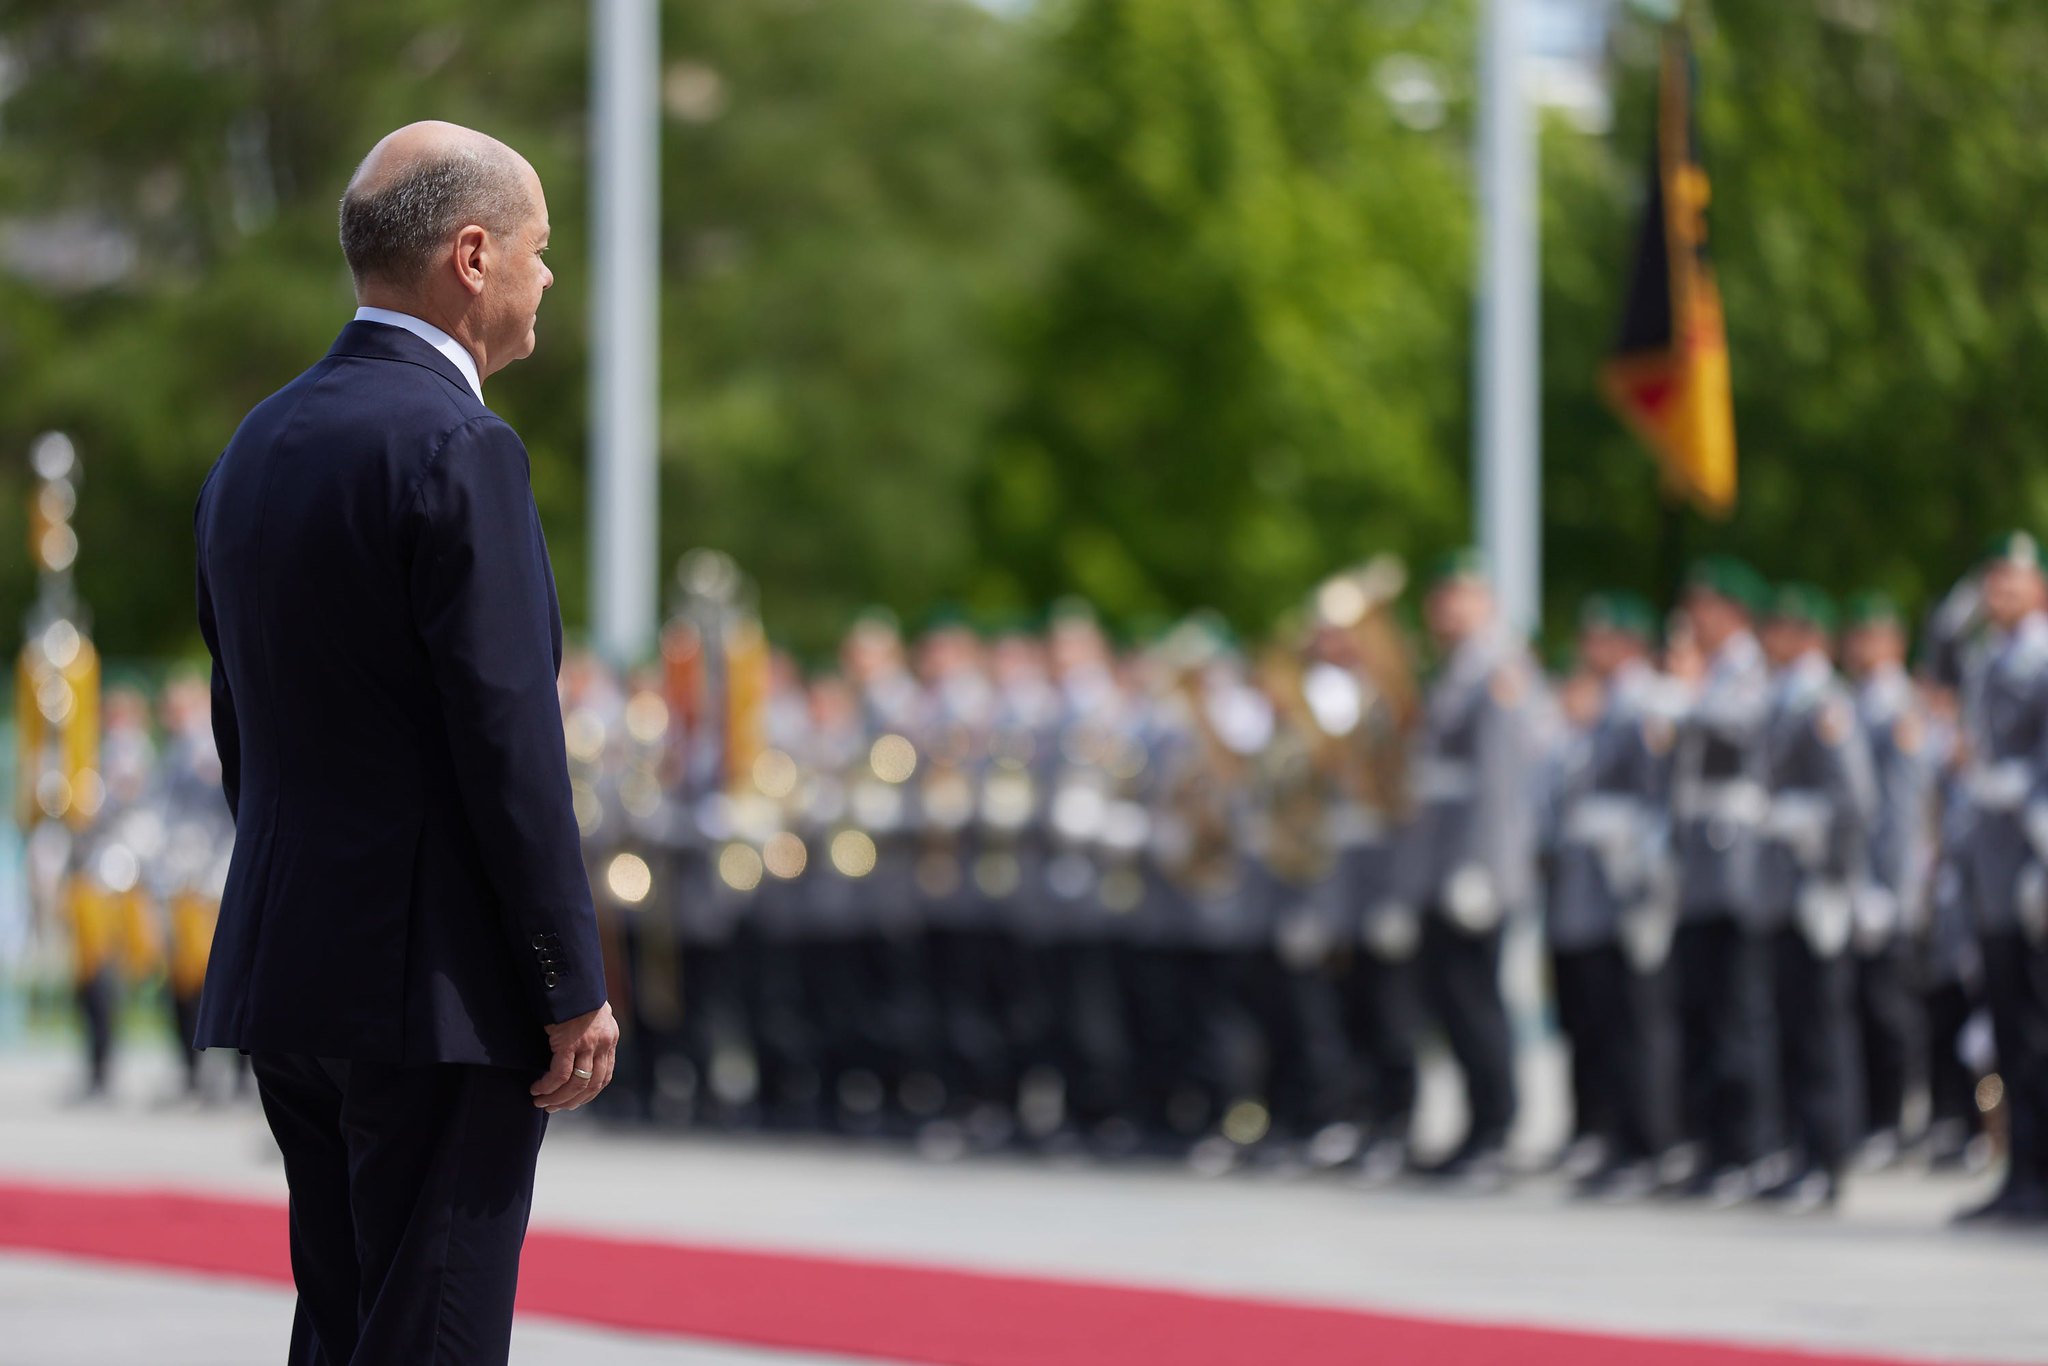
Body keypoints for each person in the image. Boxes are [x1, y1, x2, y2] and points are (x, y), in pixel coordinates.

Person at [193, 122, 617, 1364]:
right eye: (540, 250)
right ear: (472, 255)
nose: (550, 276)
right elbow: (506, 738)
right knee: (430, 1332)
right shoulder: (458, 445)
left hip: (298, 968)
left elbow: (244, 731)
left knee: (342, 1325)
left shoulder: (256, 445)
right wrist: (565, 973)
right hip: (434, 992)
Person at [1402, 550, 1540, 1187]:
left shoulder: (1497, 671)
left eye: (1461, 596)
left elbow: (1502, 782)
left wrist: (1486, 866)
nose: (1448, 610)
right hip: (1442, 862)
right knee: (1450, 1003)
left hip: (1474, 865)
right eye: (1442, 597)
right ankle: (1474, 1126)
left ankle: (1498, 1128)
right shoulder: (1455, 671)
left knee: (1478, 1001)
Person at [1546, 593, 1674, 1199]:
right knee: (1603, 1020)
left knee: (1636, 1022)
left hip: (1630, 887)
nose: (1588, 649)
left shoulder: (1643, 703)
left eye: (1600, 638)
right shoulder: (1608, 706)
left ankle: (1646, 1142)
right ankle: (1615, 1135)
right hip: (1596, 886)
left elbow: (1659, 797)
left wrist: (1644, 873)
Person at [1754, 584, 1875, 1211]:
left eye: (1781, 627)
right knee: (1790, 1025)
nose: (1769, 638)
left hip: (1815, 888)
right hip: (1781, 889)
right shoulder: (1783, 699)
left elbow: (1854, 800)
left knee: (1822, 1030)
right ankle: (1798, 1151)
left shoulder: (1824, 702)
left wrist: (1829, 872)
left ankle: (1826, 1158)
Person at [1668, 555, 1774, 1203]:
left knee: (1738, 1016)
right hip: (1699, 869)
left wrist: (1687, 693)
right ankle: (1711, 1145)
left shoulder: (1749, 672)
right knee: (1701, 1010)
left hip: (1737, 867)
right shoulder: (1709, 674)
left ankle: (1745, 1147)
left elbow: (1736, 728)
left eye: (1703, 607)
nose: (1691, 620)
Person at [1952, 533, 2048, 1224]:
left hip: (2034, 857)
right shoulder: (1989, 660)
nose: (1998, 597)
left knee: (2039, 1026)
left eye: (2011, 584)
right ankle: (2022, 1170)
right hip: (1992, 863)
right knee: (2011, 1028)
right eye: (1991, 585)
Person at [1839, 592, 1933, 1167]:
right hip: (1859, 881)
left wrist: (1892, 891)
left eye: (1873, 637)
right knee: (1861, 1006)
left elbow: (1899, 809)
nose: (1861, 647)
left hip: (1888, 884)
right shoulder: (1856, 702)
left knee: (1889, 1010)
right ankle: (1871, 1118)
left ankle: (1894, 1123)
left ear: (1894, 644)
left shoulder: (1898, 706)